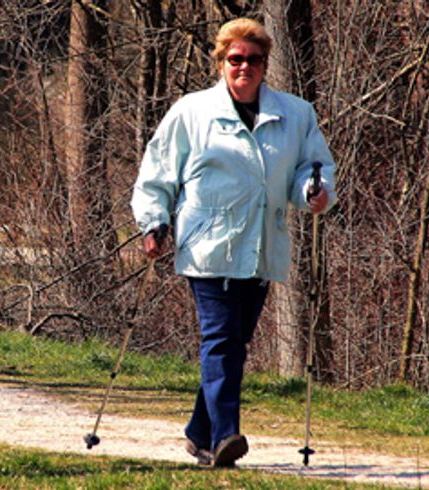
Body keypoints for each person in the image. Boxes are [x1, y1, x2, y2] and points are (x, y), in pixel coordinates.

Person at [130, 17, 337, 467]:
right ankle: (225, 437)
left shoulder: (295, 114)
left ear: (265, 64)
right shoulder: (192, 111)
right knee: (221, 339)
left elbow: (313, 168)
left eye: (253, 60)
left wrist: (312, 191)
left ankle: (197, 431)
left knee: (235, 342)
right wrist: (153, 222)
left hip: (261, 247)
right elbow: (158, 171)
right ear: (221, 61)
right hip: (208, 247)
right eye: (235, 59)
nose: (244, 67)